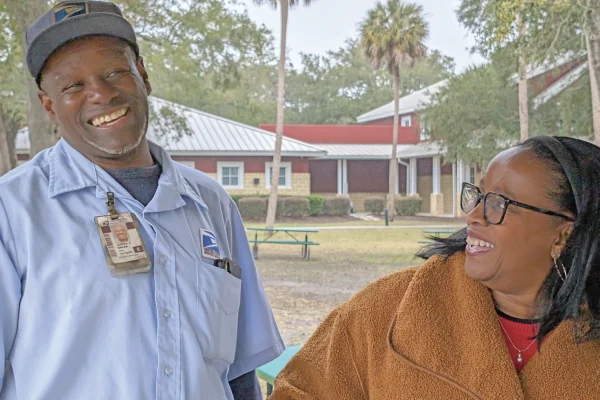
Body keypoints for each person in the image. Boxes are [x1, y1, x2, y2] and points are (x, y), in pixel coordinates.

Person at [0, 2, 284, 399]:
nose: (100, 93)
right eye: (73, 86)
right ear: (49, 105)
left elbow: (239, 372)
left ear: (143, 75)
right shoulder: (11, 212)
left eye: (114, 71)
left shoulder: (211, 203)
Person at [270, 136, 600, 399]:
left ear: (564, 232)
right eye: (479, 195)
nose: (473, 215)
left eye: (500, 203)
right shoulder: (386, 310)